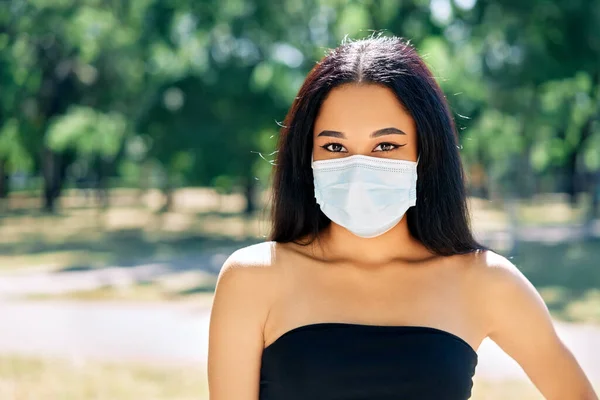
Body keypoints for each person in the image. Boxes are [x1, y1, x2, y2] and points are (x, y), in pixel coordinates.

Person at [207, 35, 598, 400]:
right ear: (307, 157)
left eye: (386, 145)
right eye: (335, 145)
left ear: (425, 154)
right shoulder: (252, 277)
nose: (359, 167)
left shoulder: (484, 282)